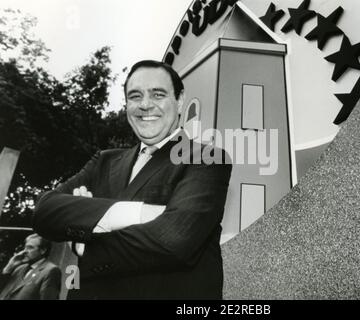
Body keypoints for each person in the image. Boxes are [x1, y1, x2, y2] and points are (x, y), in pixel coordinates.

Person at [32, 60, 232, 299]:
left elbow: (174, 241)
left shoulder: (206, 158)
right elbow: (44, 211)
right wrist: (143, 214)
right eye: (135, 96)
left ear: (180, 101)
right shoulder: (104, 161)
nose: (145, 105)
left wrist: (85, 236)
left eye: (158, 94)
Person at [0, 233, 61, 300]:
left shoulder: (50, 270)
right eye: (25, 247)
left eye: (30, 247)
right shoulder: (19, 268)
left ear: (43, 250)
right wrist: (8, 268)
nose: (24, 251)